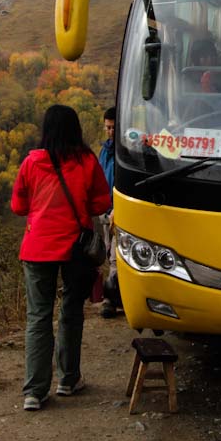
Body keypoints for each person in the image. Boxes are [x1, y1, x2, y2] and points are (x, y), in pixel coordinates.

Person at [11, 104, 112, 411]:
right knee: (70, 312)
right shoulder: (86, 161)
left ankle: (35, 391)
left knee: (38, 317)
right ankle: (68, 379)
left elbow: (18, 206)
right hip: (74, 249)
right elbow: (102, 201)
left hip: (37, 248)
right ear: (75, 129)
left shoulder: (31, 162)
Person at [98, 106, 123, 319]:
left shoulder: (125, 151)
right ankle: (118, 296)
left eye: (114, 127)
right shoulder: (105, 150)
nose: (110, 132)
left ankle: (110, 299)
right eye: (107, 127)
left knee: (116, 256)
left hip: (122, 212)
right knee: (109, 253)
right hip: (105, 212)